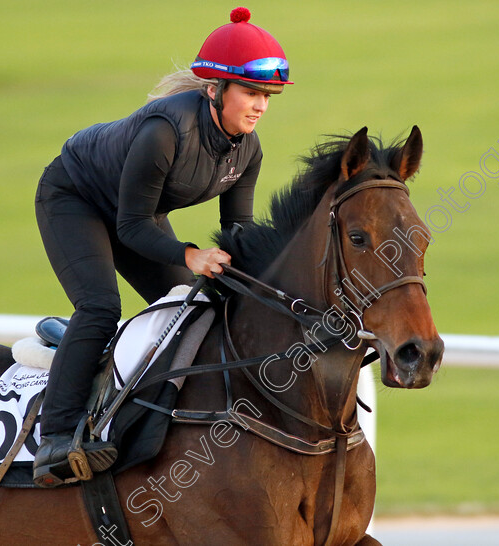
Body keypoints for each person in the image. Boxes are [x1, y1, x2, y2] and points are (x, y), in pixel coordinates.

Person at [32, 6, 293, 487]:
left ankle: (152, 410)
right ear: (215, 90)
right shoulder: (165, 132)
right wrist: (192, 256)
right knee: (99, 305)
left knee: (186, 310)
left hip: (135, 212)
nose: (261, 106)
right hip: (75, 198)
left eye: (268, 96)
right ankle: (56, 438)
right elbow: (131, 228)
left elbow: (238, 232)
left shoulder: (248, 149)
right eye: (252, 92)